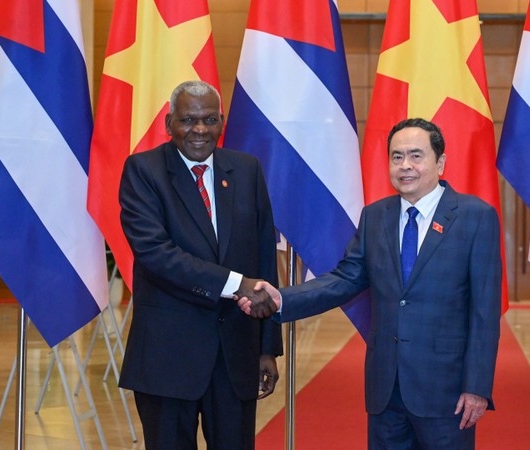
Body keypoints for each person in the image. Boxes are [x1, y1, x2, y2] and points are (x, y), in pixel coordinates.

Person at [238, 118, 501, 449]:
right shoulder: (376, 216)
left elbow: (484, 312)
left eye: (416, 156)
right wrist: (281, 299)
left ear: (441, 162)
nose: (405, 165)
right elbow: (345, 278)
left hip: (446, 390)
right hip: (385, 389)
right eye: (396, 156)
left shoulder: (475, 217)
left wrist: (476, 385)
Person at [118, 80, 282, 450]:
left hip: (236, 356)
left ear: (222, 121)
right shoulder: (143, 171)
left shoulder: (246, 170)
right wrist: (234, 283)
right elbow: (156, 254)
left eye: (209, 119)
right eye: (188, 120)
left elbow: (263, 260)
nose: (200, 129)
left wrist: (266, 347)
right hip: (168, 357)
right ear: (168, 122)